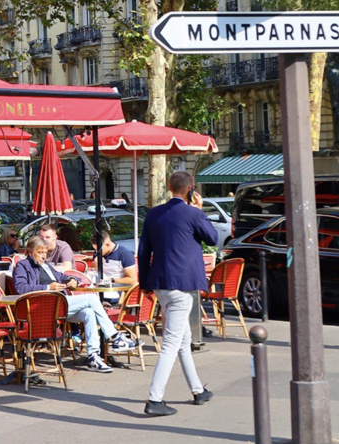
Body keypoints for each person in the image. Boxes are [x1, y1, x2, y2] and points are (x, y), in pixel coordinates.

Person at [139, 170, 217, 416]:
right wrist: (200, 209)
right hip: (182, 285)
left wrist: (144, 285)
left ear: (170, 187)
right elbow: (213, 238)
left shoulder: (153, 214)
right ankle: (154, 399)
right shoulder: (193, 213)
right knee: (172, 343)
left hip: (160, 283)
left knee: (183, 340)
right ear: (190, 189)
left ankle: (197, 390)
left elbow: (143, 251)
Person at [14, 236, 140, 373]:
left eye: (45, 252)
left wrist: (73, 280)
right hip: (43, 307)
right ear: (30, 252)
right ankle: (115, 337)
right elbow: (21, 288)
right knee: (91, 299)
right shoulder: (22, 266)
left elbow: (63, 276)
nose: (44, 256)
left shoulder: (46, 266)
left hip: (59, 306)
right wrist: (48, 287)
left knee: (89, 313)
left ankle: (93, 356)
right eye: (40, 252)